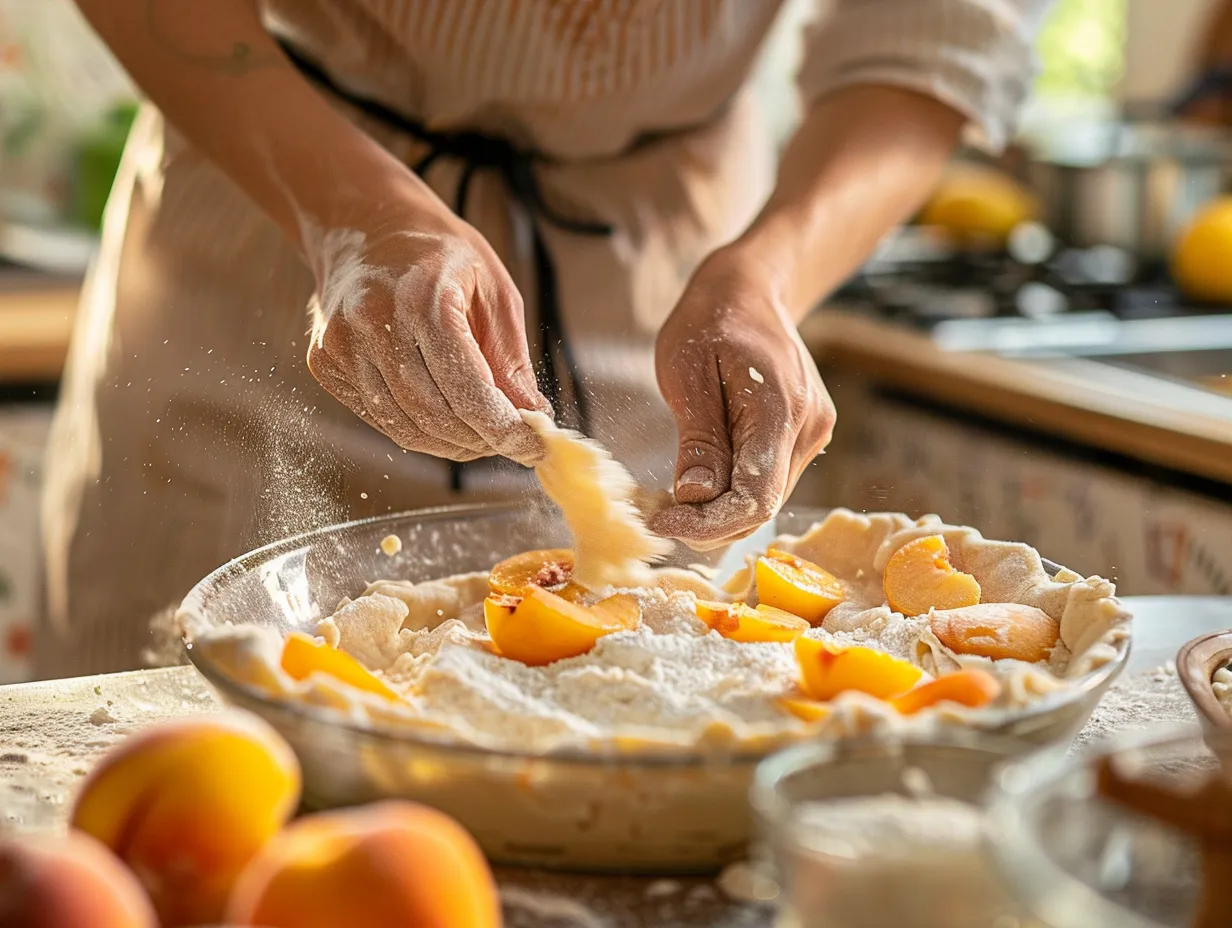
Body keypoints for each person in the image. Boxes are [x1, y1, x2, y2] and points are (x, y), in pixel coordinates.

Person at [38, 0, 1048, 678]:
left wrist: (767, 275)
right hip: (273, 199)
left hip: (668, 252)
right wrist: (346, 211)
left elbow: (931, 35)